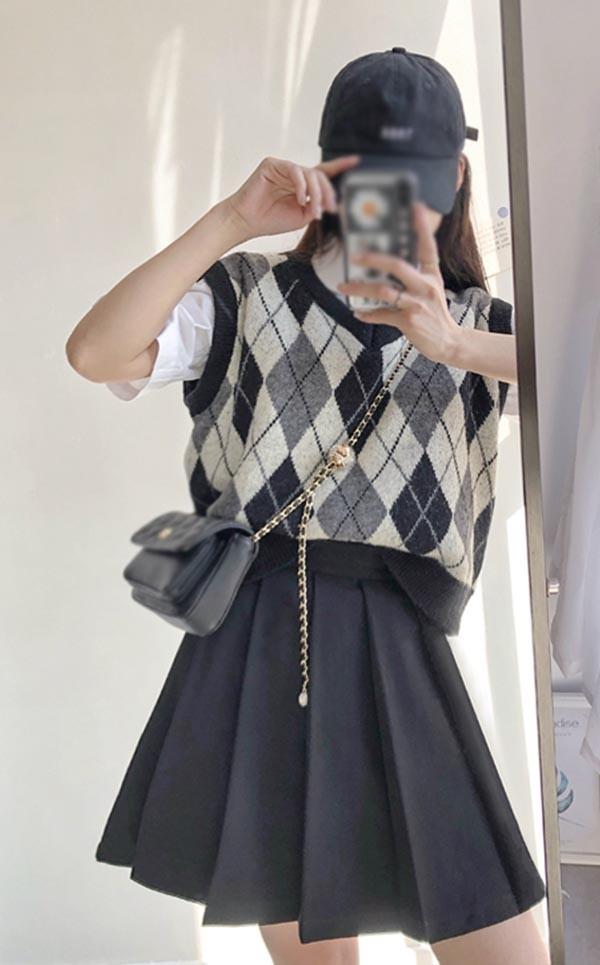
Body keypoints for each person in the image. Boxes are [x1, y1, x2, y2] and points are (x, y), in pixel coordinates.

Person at [66, 48, 549, 965]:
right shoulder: (247, 297)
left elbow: (579, 378)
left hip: (402, 644)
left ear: (454, 178)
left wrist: (451, 343)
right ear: (328, 175)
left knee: (498, 939)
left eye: (413, 181)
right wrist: (228, 221)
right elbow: (96, 352)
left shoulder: (485, 329)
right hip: (261, 641)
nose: (394, 206)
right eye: (367, 180)